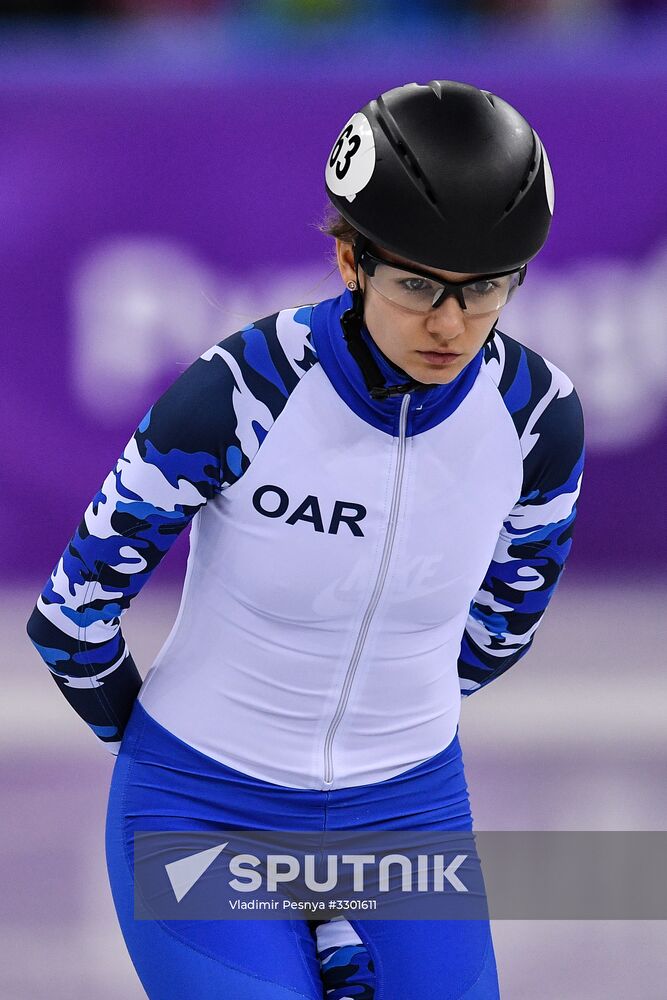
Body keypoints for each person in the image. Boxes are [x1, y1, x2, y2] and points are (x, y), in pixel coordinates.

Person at [27, 79, 584, 999]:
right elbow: (71, 617)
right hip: (202, 810)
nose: (449, 323)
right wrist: (168, 758)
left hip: (406, 815)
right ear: (348, 261)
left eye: (483, 288)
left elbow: (502, 630)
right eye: (416, 284)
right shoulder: (242, 389)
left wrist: (377, 729)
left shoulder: (537, 417)